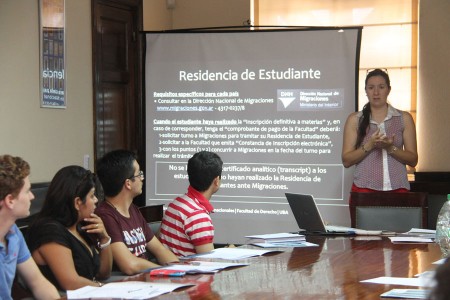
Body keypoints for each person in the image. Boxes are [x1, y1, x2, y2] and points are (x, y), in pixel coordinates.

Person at [27, 165, 112, 291]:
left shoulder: (80, 226)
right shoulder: (49, 231)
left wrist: (104, 238)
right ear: (77, 202)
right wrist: (107, 290)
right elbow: (71, 283)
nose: (96, 200)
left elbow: (102, 274)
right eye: (92, 195)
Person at [95, 149, 179, 275]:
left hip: (148, 279)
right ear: (128, 183)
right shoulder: (105, 216)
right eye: (139, 174)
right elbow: (129, 265)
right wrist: (163, 271)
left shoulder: (133, 209)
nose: (142, 178)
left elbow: (160, 250)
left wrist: (181, 270)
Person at [342, 68, 418, 192]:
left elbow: (413, 160)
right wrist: (370, 145)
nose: (376, 92)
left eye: (381, 87)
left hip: (397, 188)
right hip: (363, 190)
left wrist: (389, 147)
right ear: (365, 91)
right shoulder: (355, 119)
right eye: (371, 88)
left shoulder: (404, 118)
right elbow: (346, 161)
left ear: (389, 90)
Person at [0, 154, 60, 300]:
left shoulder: (13, 233)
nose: (32, 196)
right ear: (10, 200)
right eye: (27, 191)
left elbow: (38, 283)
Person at [159, 151, 222, 257]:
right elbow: (209, 263)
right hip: (187, 272)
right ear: (216, 181)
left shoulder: (175, 203)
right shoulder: (199, 216)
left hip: (170, 269)